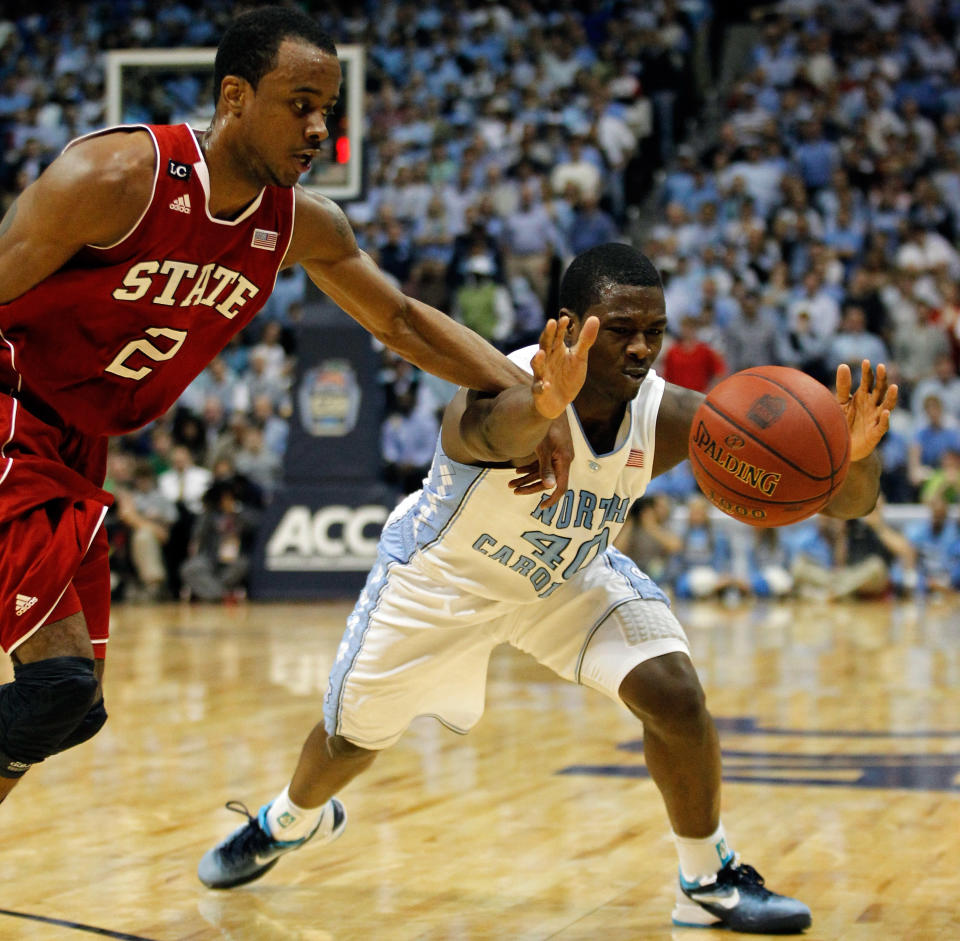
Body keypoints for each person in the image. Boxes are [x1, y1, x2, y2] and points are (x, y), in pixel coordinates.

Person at [198, 244, 897, 934]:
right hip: (443, 584)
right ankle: (288, 820)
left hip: (566, 576)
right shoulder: (496, 382)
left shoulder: (668, 414)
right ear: (568, 323)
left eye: (653, 330)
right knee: (348, 743)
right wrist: (542, 409)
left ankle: (705, 878)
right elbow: (493, 432)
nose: (640, 348)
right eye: (621, 328)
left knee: (675, 696)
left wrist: (851, 460)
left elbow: (847, 503)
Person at [0, 7, 569, 803]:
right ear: (234, 96)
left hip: (74, 442)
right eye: (299, 104)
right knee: (55, 686)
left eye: (327, 112)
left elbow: (402, 320)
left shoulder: (298, 225)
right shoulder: (115, 180)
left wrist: (532, 396)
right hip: (11, 407)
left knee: (68, 707)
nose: (317, 128)